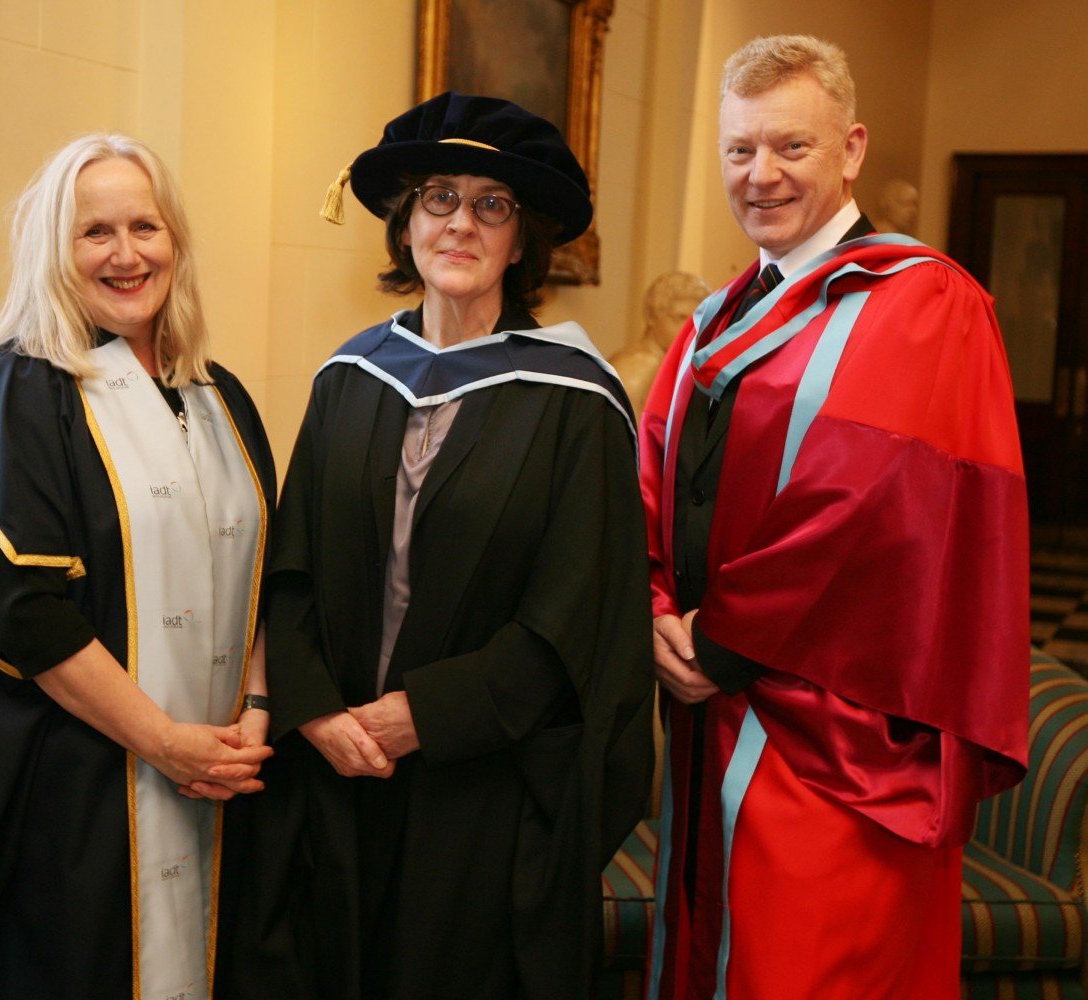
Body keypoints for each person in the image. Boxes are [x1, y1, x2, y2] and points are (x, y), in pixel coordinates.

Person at [224, 92, 654, 999]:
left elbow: (579, 616)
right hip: (336, 775)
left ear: (522, 239)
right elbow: (290, 567)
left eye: (491, 204)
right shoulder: (350, 377)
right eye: (439, 198)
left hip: (481, 791)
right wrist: (317, 711)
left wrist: (419, 715)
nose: (462, 222)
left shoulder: (576, 401)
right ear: (406, 224)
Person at [640, 35, 1029, 999]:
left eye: (791, 148)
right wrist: (652, 606)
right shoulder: (715, 318)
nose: (759, 175)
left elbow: (864, 506)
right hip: (709, 716)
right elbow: (646, 468)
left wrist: (715, 639)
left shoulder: (921, 302)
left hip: (836, 744)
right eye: (739, 151)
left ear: (851, 149)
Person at [0, 133, 276, 999]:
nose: (127, 254)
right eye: (95, 232)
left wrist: (255, 705)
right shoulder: (25, 390)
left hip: (220, 780)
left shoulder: (221, 397)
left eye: (147, 226)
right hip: (82, 792)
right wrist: (165, 743)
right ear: (54, 250)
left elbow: (259, 576)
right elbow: (26, 610)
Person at [610, 270, 712, 420]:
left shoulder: (668, 364)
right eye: (680, 318)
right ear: (651, 316)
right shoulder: (638, 370)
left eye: (697, 320)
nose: (691, 330)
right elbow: (636, 440)